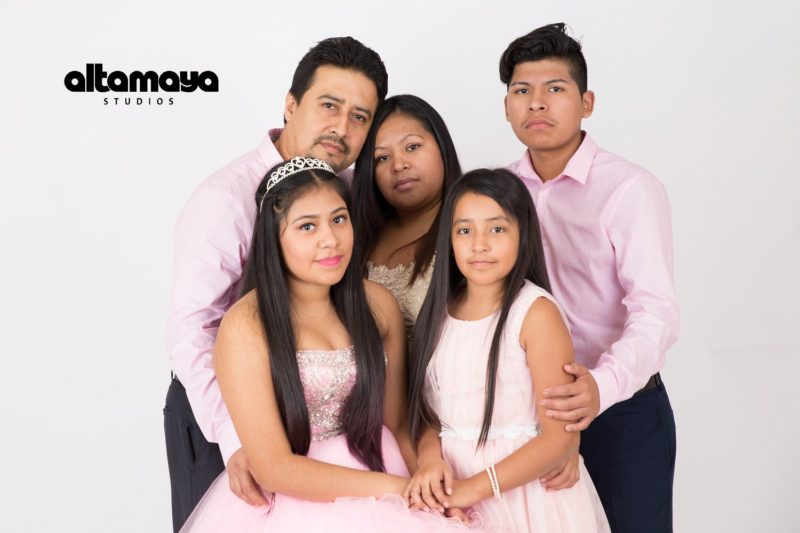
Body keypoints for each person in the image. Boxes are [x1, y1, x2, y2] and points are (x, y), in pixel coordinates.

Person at [180, 157, 481, 532]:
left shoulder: (377, 305)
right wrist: (396, 490)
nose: (330, 240)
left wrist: (427, 488)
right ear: (274, 237)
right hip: (301, 499)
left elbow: (398, 424)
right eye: (307, 226)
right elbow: (274, 468)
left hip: (386, 471)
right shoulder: (246, 325)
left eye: (339, 219)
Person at [164, 37, 388, 532]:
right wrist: (234, 436)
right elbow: (192, 329)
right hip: (221, 411)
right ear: (290, 105)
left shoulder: (350, 192)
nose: (341, 127)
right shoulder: (225, 198)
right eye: (329, 106)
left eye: (359, 116)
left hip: (323, 420)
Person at [501, 23, 679, 532]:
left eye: (555, 89)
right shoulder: (501, 191)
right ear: (507, 106)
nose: (537, 103)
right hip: (530, 415)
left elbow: (657, 311)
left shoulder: (629, 188)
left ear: (587, 102)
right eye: (522, 91)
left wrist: (602, 386)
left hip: (621, 411)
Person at [406, 169, 610, 532]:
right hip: (454, 494)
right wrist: (429, 460)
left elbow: (558, 436)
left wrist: (471, 490)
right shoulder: (439, 312)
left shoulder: (535, 314)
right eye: (464, 231)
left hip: (526, 497)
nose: (479, 244)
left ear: (523, 234)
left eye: (497, 229)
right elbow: (430, 414)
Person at [352, 94, 461, 340]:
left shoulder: (471, 227)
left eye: (412, 147)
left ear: (442, 146)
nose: (398, 165)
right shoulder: (355, 233)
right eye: (382, 157)